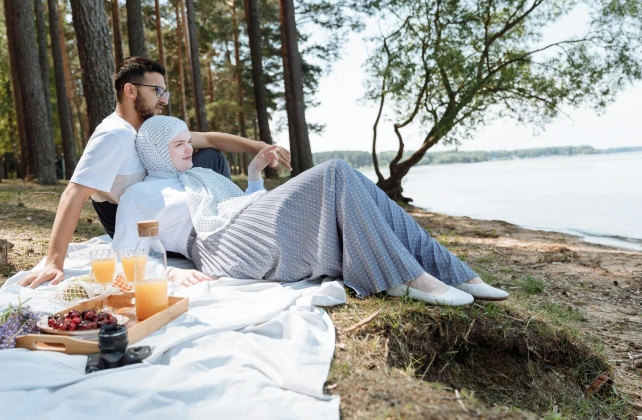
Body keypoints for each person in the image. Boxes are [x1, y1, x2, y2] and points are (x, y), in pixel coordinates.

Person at [114, 116, 509, 306]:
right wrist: (167, 272)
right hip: (220, 246)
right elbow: (123, 255)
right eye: (179, 145)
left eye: (189, 141)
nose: (189, 149)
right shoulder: (141, 194)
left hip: (242, 224)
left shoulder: (200, 174)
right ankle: (400, 276)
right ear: (154, 150)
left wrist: (254, 175)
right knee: (334, 171)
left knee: (349, 179)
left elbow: (237, 206)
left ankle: (452, 270)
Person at [20, 57, 290, 288]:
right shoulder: (113, 134)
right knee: (207, 157)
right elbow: (74, 192)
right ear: (130, 91)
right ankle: (222, 234)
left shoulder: (150, 129)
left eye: (165, 92)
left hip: (161, 204)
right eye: (157, 90)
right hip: (133, 220)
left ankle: (229, 220)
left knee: (210, 155)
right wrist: (54, 262)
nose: (163, 99)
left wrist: (263, 146)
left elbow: (208, 138)